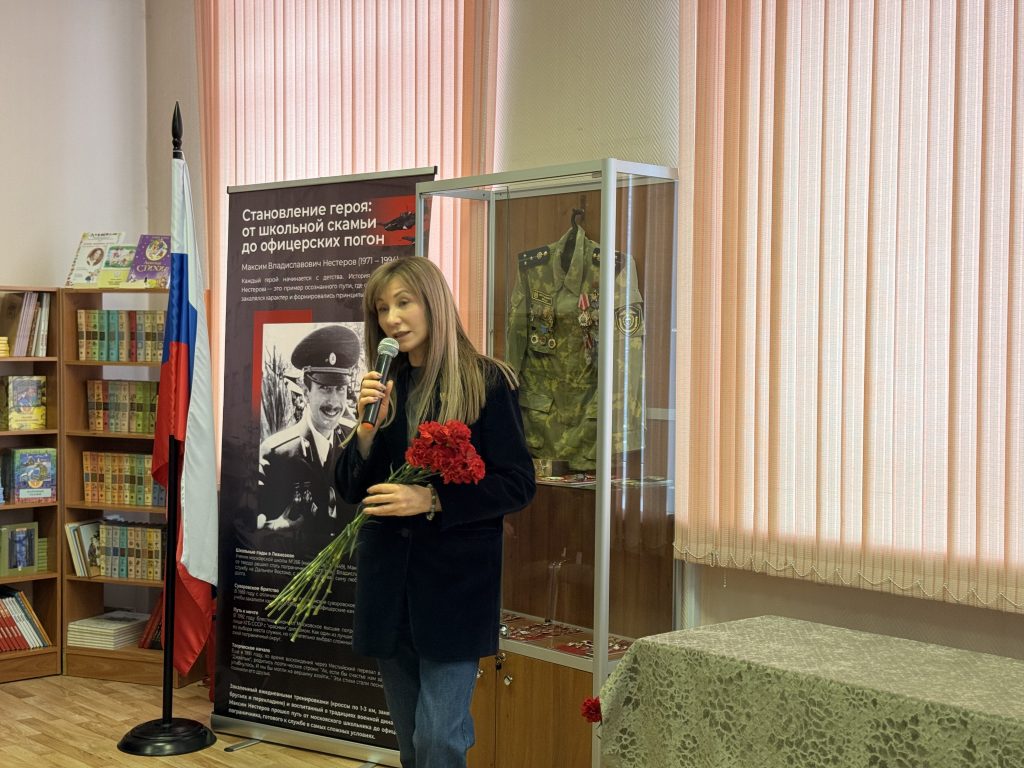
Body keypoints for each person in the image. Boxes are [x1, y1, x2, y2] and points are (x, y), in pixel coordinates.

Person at [335, 257, 535, 768]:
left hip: (454, 590)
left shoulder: (488, 381)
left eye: (404, 303)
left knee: (439, 738)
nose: (392, 319)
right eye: (382, 309)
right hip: (389, 587)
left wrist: (435, 499)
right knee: (410, 744)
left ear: (434, 303)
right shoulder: (383, 386)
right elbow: (351, 488)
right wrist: (365, 431)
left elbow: (518, 483)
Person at [257, 324, 361, 556]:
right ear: (306, 392)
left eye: (340, 389)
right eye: (324, 388)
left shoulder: (357, 442)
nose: (334, 402)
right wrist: (272, 528)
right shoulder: (275, 453)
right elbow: (249, 527)